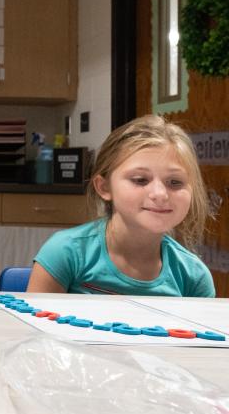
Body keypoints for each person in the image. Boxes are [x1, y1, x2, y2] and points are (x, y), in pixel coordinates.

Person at [27, 115, 214, 296]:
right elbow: (32, 327)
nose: (160, 194)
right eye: (140, 180)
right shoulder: (65, 253)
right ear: (104, 187)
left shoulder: (195, 278)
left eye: (175, 182)